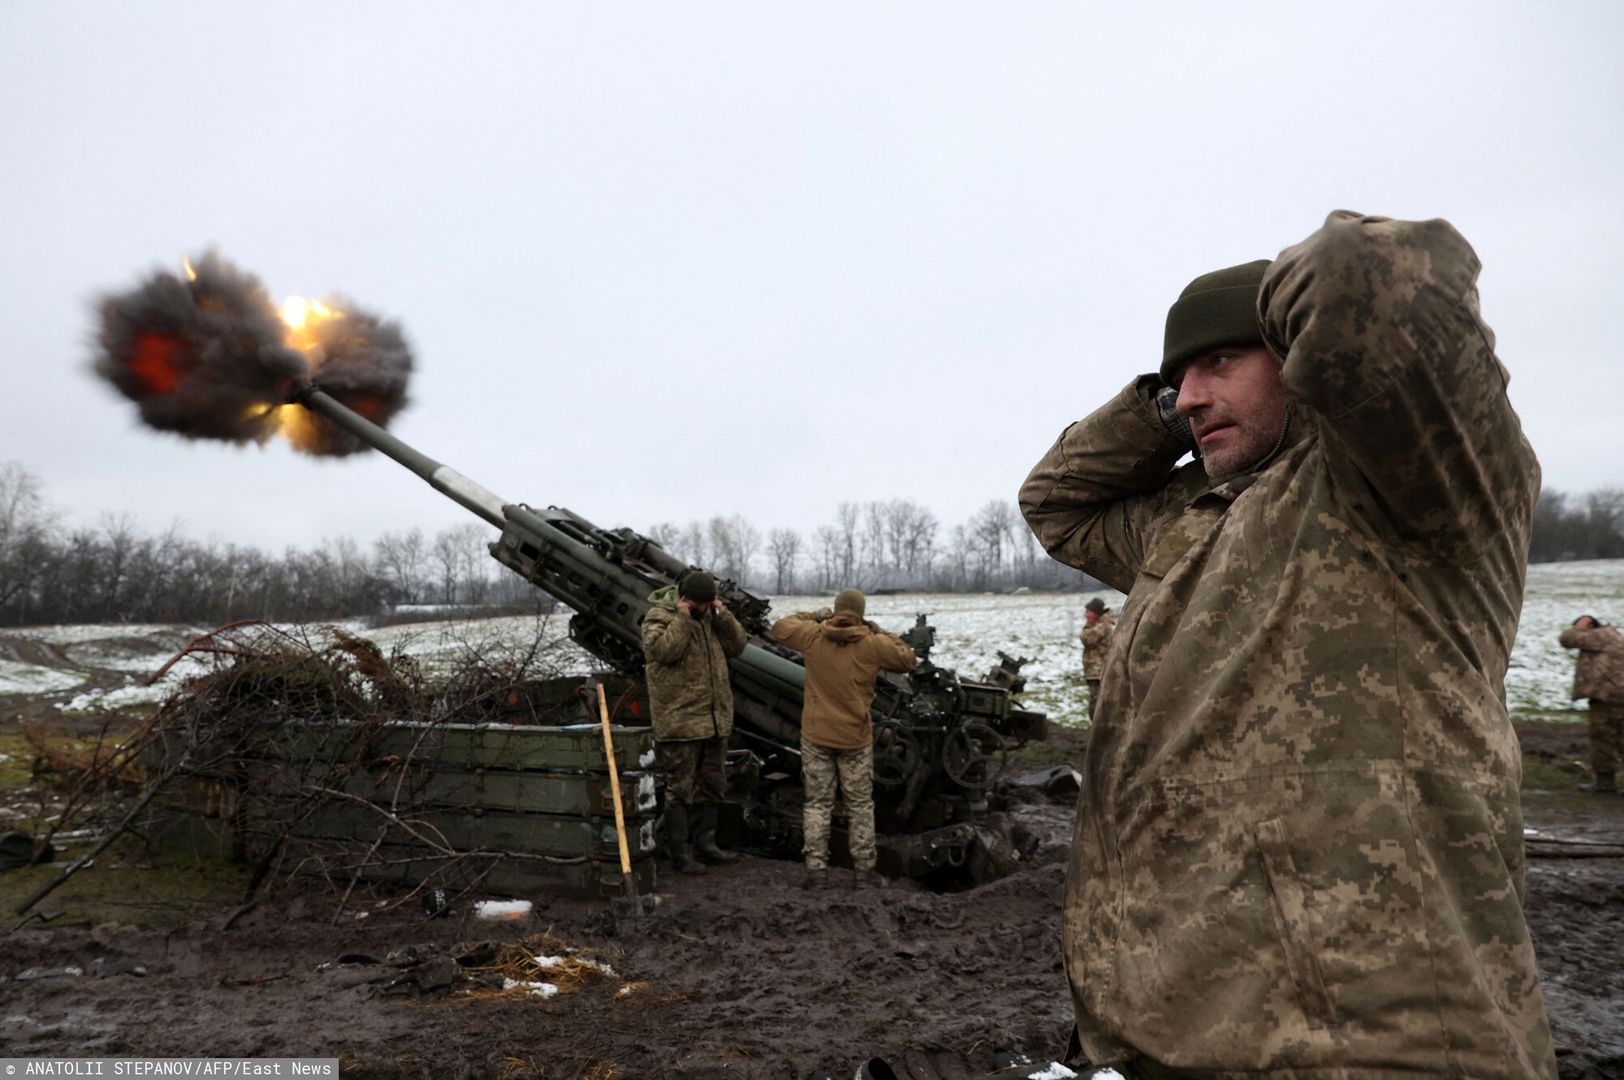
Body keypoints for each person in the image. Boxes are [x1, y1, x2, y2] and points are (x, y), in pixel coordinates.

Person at [1019, 212, 1556, 1075]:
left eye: (1220, 362)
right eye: (1177, 382)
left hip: (1375, 1045)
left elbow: (1365, 277)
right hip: (1170, 1033)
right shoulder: (1188, 521)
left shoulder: (1404, 491)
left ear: (1300, 361)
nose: (1190, 397)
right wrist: (1165, 411)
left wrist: (1286, 331)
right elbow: (1056, 503)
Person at [771, 588, 917, 889]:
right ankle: (863, 874)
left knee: (817, 804)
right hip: (854, 738)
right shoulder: (873, 644)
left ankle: (816, 872)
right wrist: (880, 631)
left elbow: (780, 628)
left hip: (816, 735)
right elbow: (908, 658)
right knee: (860, 805)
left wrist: (814, 615)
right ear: (861, 613)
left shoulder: (813, 635)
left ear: (836, 610)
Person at [641, 570, 749, 875]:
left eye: (707, 603)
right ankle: (680, 854)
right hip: (681, 720)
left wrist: (723, 615)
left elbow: (737, 645)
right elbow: (662, 651)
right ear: (685, 600)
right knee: (680, 789)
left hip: (713, 719)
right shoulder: (659, 617)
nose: (704, 609)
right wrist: (684, 618)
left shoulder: (711, 619)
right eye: (698, 604)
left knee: (713, 783)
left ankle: (706, 844)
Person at [1558, 614, 1624, 794]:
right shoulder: (1612, 636)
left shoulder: (1598, 636)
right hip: (1618, 695)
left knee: (1603, 740)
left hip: (1607, 697)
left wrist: (1580, 625)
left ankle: (1605, 784)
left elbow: (1566, 639)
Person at [1078, 597, 1114, 722]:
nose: (1086, 615)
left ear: (1097, 613)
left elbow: (1087, 638)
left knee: (1097, 705)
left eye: (1089, 612)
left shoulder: (1102, 627)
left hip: (1099, 673)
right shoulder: (1099, 626)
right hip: (1094, 673)